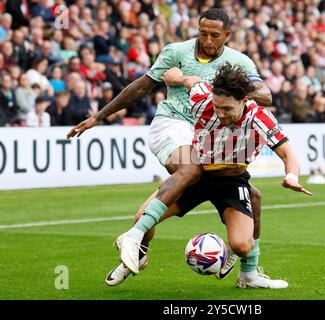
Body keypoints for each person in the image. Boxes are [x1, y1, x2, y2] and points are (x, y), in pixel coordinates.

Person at [66, 9, 272, 287]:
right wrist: (99, 116)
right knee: (191, 166)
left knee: (251, 194)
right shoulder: (176, 52)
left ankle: (248, 270)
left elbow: (266, 95)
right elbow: (142, 86)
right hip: (173, 123)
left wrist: (230, 89)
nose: (208, 40)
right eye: (203, 33)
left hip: (209, 134)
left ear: (227, 35)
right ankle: (136, 242)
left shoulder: (238, 62)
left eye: (214, 35)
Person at [114, 63, 312, 289]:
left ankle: (249, 276)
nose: (220, 113)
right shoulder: (203, 98)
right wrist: (177, 77)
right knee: (142, 218)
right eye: (217, 106)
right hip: (197, 176)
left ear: (245, 99)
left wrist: (292, 177)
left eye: (227, 109)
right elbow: (193, 81)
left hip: (231, 182)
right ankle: (137, 249)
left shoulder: (259, 117)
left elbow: (289, 153)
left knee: (241, 246)